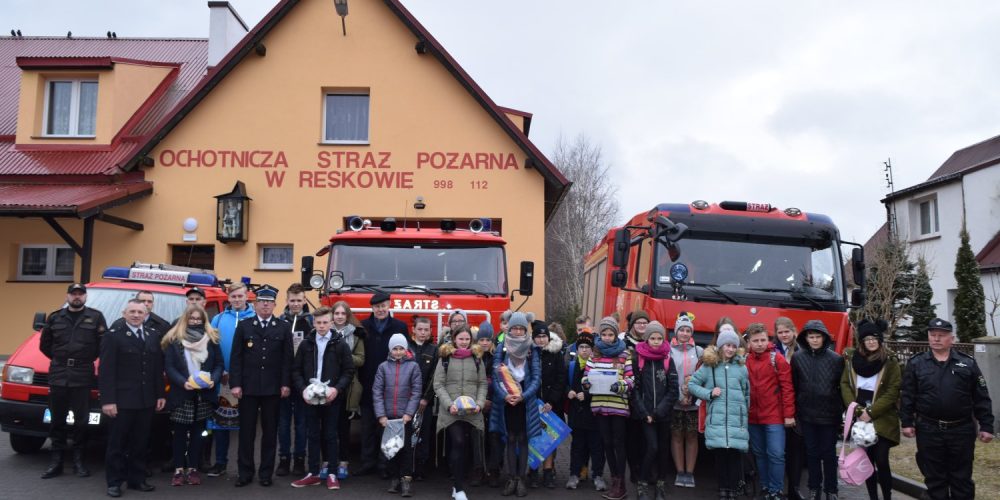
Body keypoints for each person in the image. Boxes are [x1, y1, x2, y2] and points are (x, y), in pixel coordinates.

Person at [900, 318, 994, 500]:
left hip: (961, 430)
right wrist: (906, 422)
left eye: (941, 336)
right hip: (929, 430)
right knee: (935, 479)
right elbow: (908, 396)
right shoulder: (916, 363)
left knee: (962, 479)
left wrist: (987, 426)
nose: (936, 339)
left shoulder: (967, 364)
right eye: (932, 335)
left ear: (952, 339)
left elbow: (981, 396)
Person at [39, 283, 107, 479]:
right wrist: (60, 358)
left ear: (85, 297)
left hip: (82, 374)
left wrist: (84, 359)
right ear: (67, 296)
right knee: (57, 420)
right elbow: (45, 345)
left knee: (81, 421)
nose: (77, 297)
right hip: (59, 374)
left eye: (80, 294)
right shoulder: (55, 317)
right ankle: (56, 462)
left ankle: (79, 461)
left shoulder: (95, 317)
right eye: (73, 294)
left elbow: (102, 345)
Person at [229, 284, 293, 487]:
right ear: (255, 304)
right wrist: (235, 384)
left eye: (269, 302)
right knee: (246, 432)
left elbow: (287, 360)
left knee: (270, 432)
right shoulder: (245, 326)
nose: (265, 305)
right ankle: (245, 472)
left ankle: (266, 473)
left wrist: (285, 384)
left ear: (275, 305)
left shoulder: (282, 327)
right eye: (261, 301)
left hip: (272, 389)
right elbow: (236, 358)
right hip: (247, 388)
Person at [100, 299, 165, 497]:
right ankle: (114, 482)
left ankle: (137, 480)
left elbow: (156, 370)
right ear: (124, 313)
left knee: (140, 443)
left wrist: (160, 394)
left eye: (140, 312)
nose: (136, 315)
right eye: (132, 311)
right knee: (117, 444)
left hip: (146, 400)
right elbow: (106, 371)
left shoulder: (153, 336)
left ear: (147, 314)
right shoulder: (113, 337)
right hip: (122, 401)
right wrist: (108, 400)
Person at [290, 306, 355, 490]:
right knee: (312, 434)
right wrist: (303, 389)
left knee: (331, 434)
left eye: (325, 322)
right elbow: (296, 370)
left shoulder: (339, 344)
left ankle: (332, 473)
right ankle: (313, 473)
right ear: (313, 323)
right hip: (310, 398)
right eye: (318, 322)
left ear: (331, 323)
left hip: (331, 398)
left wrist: (336, 389)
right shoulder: (306, 344)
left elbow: (348, 371)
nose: (321, 326)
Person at [162, 305, 224, 487]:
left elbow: (219, 364)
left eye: (199, 319)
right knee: (179, 434)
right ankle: (179, 470)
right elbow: (170, 367)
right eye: (192, 318)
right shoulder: (175, 339)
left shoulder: (212, 339)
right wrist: (183, 382)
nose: (195, 321)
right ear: (185, 319)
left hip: (204, 394)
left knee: (199, 434)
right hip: (182, 392)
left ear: (204, 320)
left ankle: (194, 469)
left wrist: (214, 379)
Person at [840, 319, 900, 500]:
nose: (871, 342)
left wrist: (872, 412)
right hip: (859, 417)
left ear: (880, 340)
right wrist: (856, 409)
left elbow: (893, 390)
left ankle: (887, 496)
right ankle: (873, 496)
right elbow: (845, 384)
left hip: (882, 417)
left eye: (875, 338)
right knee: (867, 461)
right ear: (862, 342)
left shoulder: (890, 361)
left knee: (881, 459)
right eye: (867, 339)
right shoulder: (852, 360)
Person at [688, 326, 749, 500]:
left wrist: (744, 416)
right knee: (721, 457)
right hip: (717, 419)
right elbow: (692, 385)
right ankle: (723, 489)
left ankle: (733, 489)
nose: (730, 349)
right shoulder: (709, 366)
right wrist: (708, 394)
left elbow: (747, 393)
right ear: (720, 346)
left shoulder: (742, 367)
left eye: (733, 346)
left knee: (735, 457)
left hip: (737, 420)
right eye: (726, 345)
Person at [490, 313, 542, 497]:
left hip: (525, 403)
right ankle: (511, 478)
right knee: (510, 439)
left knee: (524, 439)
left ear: (525, 329)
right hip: (506, 403)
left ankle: (521, 480)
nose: (518, 331)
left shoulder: (532, 349)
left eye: (521, 328)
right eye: (515, 328)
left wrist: (523, 396)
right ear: (509, 329)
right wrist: (504, 396)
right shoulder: (501, 348)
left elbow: (536, 378)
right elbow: (495, 376)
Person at [582, 316, 635, 500]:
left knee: (619, 444)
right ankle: (614, 482)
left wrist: (620, 386)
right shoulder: (594, 354)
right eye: (603, 334)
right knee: (607, 444)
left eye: (610, 334)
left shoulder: (625, 354)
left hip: (618, 406)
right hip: (600, 406)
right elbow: (586, 376)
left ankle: (621, 485)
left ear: (615, 335)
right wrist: (586, 384)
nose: (606, 337)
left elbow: (631, 379)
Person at [359, 291, 409, 477]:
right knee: (366, 427)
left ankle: (384, 465)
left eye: (383, 306)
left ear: (389, 306)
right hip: (367, 382)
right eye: (377, 306)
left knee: (386, 427)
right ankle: (367, 463)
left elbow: (406, 355)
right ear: (372, 308)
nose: (380, 309)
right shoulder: (363, 326)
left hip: (391, 386)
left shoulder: (400, 327)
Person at [791, 320, 843, 500]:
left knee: (828, 454)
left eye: (817, 336)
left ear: (824, 338)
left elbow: (841, 387)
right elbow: (795, 386)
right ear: (805, 338)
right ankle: (814, 488)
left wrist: (841, 414)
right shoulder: (798, 358)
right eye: (811, 337)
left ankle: (832, 490)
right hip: (807, 414)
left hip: (829, 415)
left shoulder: (836, 359)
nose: (814, 340)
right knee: (811, 453)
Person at [207, 283, 255, 477]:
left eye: (240, 296)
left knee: (247, 425)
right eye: (233, 296)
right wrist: (220, 372)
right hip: (224, 380)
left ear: (246, 297)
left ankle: (244, 465)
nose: (237, 299)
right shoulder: (218, 319)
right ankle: (220, 462)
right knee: (221, 424)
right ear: (228, 298)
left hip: (248, 381)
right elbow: (210, 348)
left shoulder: (254, 318)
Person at [435, 326, 488, 500]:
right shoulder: (445, 358)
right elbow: (438, 384)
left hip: (473, 410)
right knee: (457, 441)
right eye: (461, 339)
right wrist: (449, 404)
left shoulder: (477, 359)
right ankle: (458, 488)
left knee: (466, 446)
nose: (464, 342)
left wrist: (479, 404)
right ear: (454, 339)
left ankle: (458, 479)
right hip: (451, 411)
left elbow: (482, 384)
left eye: (467, 339)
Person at [744, 323, 795, 500]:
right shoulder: (745, 360)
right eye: (755, 341)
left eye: (763, 340)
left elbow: (787, 387)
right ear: (749, 343)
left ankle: (776, 490)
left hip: (774, 415)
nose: (759, 344)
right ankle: (765, 487)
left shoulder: (777, 359)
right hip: (753, 416)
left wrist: (789, 414)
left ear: (768, 340)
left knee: (776, 453)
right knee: (759, 454)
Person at [631, 321, 679, 500]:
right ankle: (642, 483)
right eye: (653, 338)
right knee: (651, 447)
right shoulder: (638, 359)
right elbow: (633, 389)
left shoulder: (668, 359)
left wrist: (659, 412)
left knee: (663, 450)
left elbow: (674, 389)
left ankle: (660, 484)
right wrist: (645, 413)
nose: (657, 341)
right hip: (645, 415)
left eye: (660, 338)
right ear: (647, 339)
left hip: (663, 415)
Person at [374, 333, 422, 496]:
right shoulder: (383, 367)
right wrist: (381, 415)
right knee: (391, 449)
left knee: (406, 450)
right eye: (395, 348)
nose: (398, 351)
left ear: (406, 349)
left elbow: (416, 392)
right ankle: (394, 477)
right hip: (388, 418)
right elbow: (377, 392)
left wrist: (409, 413)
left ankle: (406, 480)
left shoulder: (413, 367)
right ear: (390, 350)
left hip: (405, 418)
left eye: (401, 348)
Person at [565, 330, 607, 492]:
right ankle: (574, 474)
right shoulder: (572, 365)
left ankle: (598, 475)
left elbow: (603, 386)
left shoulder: (597, 366)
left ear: (593, 349)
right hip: (577, 414)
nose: (584, 350)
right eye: (581, 346)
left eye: (587, 347)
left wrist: (587, 395)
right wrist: (568, 391)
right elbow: (564, 383)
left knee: (597, 447)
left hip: (594, 414)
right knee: (577, 446)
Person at [277, 283, 312, 477]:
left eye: (299, 300)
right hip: (283, 380)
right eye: (292, 300)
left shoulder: (312, 322)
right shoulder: (280, 321)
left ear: (305, 300)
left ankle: (300, 459)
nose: (296, 304)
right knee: (283, 423)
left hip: (304, 382)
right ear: (287, 300)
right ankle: (284, 459)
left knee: (301, 423)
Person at [331, 300, 366, 480]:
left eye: (342, 314)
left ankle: (343, 462)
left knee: (343, 428)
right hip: (327, 387)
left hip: (347, 387)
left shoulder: (356, 336)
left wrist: (343, 356)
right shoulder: (323, 332)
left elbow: (361, 360)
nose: (339, 317)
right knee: (327, 428)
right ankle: (328, 462)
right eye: (336, 313)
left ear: (347, 316)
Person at [530, 320, 566, 489]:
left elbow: (561, 378)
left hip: (552, 405)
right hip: (533, 404)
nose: (542, 340)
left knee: (549, 439)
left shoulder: (556, 354)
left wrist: (551, 400)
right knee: (534, 438)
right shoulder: (529, 354)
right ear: (533, 338)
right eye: (538, 336)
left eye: (544, 336)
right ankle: (532, 472)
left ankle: (548, 473)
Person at [668, 312, 702, 489]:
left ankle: (690, 472)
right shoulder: (668, 350)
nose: (685, 333)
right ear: (676, 331)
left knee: (691, 435)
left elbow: (704, 377)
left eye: (688, 330)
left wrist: (693, 395)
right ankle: (680, 471)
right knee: (676, 435)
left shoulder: (699, 351)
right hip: (674, 402)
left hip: (693, 403)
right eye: (681, 329)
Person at [773, 317, 804, 499]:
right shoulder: (772, 350)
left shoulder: (802, 350)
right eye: (780, 332)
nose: (784, 335)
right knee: (778, 450)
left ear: (794, 331)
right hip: (776, 404)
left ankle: (794, 488)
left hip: (796, 405)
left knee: (795, 449)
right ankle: (776, 487)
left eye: (787, 331)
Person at [620, 310, 648, 490]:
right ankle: (633, 469)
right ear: (632, 325)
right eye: (639, 322)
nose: (642, 326)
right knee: (631, 436)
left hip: (648, 395)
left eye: (645, 323)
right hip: (629, 394)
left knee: (645, 437)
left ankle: (643, 467)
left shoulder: (652, 341)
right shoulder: (624, 343)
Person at [409, 316, 437, 481]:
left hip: (423, 402)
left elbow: (434, 377)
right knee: (407, 433)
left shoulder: (434, 350)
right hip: (407, 400)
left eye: (426, 330)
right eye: (420, 329)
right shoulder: (407, 347)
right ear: (413, 329)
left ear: (430, 331)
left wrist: (425, 399)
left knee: (423, 434)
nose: (423, 333)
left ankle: (420, 467)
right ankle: (407, 466)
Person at [477, 322, 502, 487]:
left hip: (495, 404)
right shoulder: (474, 357)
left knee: (494, 439)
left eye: (488, 339)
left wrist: (492, 400)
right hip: (478, 404)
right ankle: (479, 471)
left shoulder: (498, 358)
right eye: (482, 339)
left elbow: (502, 381)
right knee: (478, 438)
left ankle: (494, 472)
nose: (485, 342)